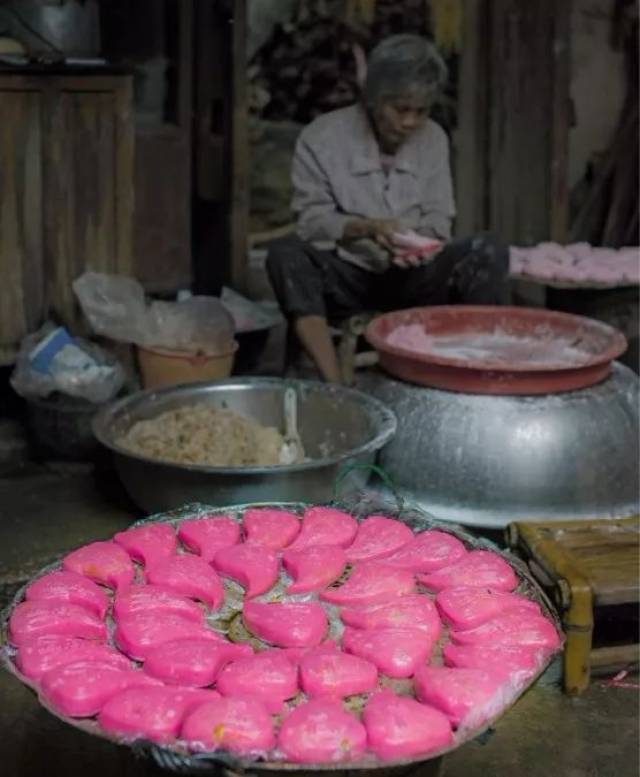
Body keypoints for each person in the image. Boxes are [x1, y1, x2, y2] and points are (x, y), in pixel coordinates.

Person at [266, 34, 509, 382]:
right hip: (348, 278)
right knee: (285, 253)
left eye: (421, 111)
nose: (410, 122)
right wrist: (365, 229)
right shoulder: (321, 138)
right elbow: (311, 222)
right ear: (374, 99)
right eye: (400, 109)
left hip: (413, 279)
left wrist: (419, 244)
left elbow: (439, 217)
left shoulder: (434, 139)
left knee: (488, 249)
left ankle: (477, 375)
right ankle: (335, 383)